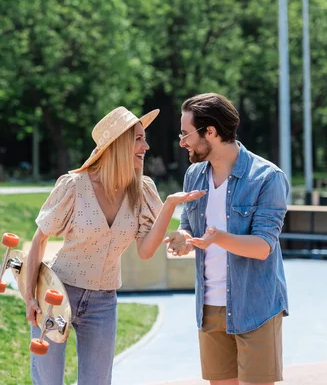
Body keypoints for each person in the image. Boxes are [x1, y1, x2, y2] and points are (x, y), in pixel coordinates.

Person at [26, 106, 205, 385]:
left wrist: (169, 205)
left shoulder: (141, 190)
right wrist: (30, 297)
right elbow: (40, 240)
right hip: (57, 292)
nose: (145, 146)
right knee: (47, 381)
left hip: (103, 301)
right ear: (117, 143)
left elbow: (146, 251)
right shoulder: (74, 186)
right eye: (138, 139)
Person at [164, 93, 290, 385]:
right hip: (210, 307)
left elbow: (262, 247)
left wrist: (217, 238)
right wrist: (184, 238)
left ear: (211, 131)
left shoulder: (267, 178)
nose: (181, 141)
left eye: (186, 133)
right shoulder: (194, 175)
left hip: (256, 307)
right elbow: (189, 227)